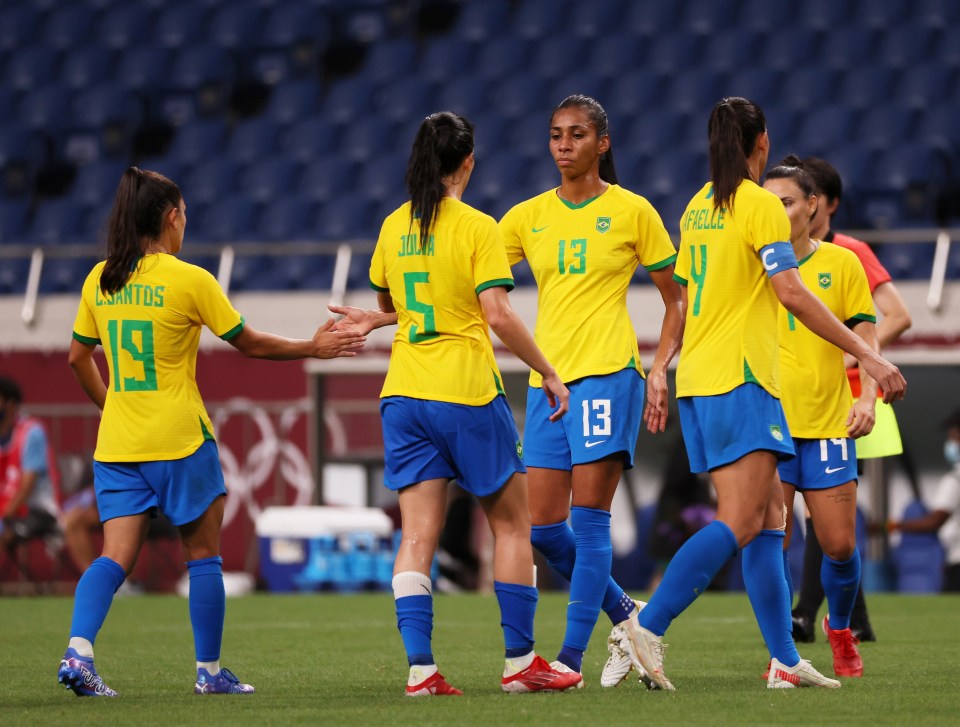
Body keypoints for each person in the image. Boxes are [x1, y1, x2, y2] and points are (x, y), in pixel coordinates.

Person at [624, 97, 906, 692]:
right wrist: (870, 358)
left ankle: (783, 657)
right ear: (761, 145)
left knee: (768, 524)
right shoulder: (758, 206)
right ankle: (644, 624)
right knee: (745, 519)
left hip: (700, 380)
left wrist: (661, 367)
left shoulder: (699, 206)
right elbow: (794, 294)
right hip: (743, 377)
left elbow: (684, 294)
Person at [58, 167, 366, 698]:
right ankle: (208, 672)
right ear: (172, 217)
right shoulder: (189, 279)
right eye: (185, 217)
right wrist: (312, 347)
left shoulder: (99, 278)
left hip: (119, 443)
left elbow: (77, 357)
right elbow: (249, 343)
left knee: (113, 557)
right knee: (203, 555)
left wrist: (111, 405)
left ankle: (78, 652)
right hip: (179, 439)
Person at [329, 111, 581, 696]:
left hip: (404, 395)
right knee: (514, 526)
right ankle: (520, 663)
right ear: (468, 161)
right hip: (465, 391)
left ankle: (421, 671)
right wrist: (548, 370)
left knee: (417, 535)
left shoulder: (393, 227)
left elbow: (403, 304)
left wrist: (379, 317)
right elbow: (496, 314)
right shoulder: (477, 227)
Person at [498, 94, 684, 687]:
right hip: (548, 382)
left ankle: (570, 659)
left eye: (577, 135)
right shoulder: (525, 217)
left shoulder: (634, 211)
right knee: (546, 528)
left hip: (608, 374)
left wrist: (659, 368)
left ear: (602, 142)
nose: (563, 145)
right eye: (556, 135)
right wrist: (383, 315)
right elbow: (474, 286)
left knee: (590, 520)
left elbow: (675, 299)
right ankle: (627, 617)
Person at [763, 155, 880, 678]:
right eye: (768, 202)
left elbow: (869, 335)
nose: (777, 211)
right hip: (772, 425)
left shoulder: (843, 264)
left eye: (786, 201)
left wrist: (867, 396)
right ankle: (782, 651)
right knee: (773, 541)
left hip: (830, 422)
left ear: (813, 205)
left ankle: (838, 627)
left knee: (838, 544)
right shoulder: (755, 264)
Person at [790, 155, 914, 643]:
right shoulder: (780, 257)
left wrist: (857, 355)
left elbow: (897, 316)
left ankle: (810, 614)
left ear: (826, 203)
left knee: (829, 515)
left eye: (802, 198)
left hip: (851, 393)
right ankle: (852, 623)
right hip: (813, 394)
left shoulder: (851, 253)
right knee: (818, 517)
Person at [885, 408, 960, 592]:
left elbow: (934, 521)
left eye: (953, 437)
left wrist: (891, 526)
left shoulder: (955, 479)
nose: (951, 443)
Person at [0, 377, 61, 552]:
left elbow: (27, 485)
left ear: (11, 405)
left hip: (38, 510)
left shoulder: (32, 433)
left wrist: (4, 517)